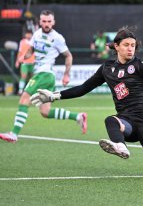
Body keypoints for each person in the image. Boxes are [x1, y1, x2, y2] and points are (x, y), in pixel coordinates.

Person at [30, 26, 143, 175]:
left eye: (133, 45)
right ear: (117, 46)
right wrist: (53, 96)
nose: (131, 49)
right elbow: (83, 88)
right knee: (111, 120)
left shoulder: (142, 65)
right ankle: (120, 146)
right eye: (126, 45)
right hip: (127, 120)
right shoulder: (107, 68)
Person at [0, 10, 87, 143]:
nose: (46, 24)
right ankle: (78, 117)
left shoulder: (57, 38)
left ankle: (14, 133)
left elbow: (68, 55)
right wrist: (26, 56)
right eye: (44, 21)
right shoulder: (37, 34)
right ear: (40, 22)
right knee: (45, 112)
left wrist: (66, 75)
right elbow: (31, 49)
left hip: (44, 74)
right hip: (44, 76)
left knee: (24, 99)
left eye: (49, 21)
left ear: (53, 22)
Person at [15, 30, 35, 95]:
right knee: (23, 76)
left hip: (33, 62)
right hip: (24, 62)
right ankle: (20, 91)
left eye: (30, 34)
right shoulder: (22, 42)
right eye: (27, 34)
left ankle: (31, 90)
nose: (28, 35)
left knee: (33, 77)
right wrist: (17, 61)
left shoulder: (34, 42)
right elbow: (19, 52)